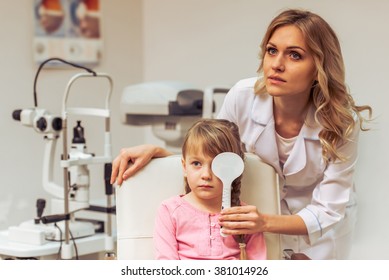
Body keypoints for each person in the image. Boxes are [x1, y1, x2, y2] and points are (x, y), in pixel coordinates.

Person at [111, 9, 372, 259]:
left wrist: (265, 221)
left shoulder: (341, 122)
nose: (277, 65)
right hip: (256, 226)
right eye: (272, 51)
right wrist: (161, 154)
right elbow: (212, 153)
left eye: (294, 55)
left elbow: (327, 210)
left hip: (320, 233)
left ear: (319, 67)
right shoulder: (243, 96)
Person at [153, 119, 266, 260]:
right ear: (184, 166)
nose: (206, 175)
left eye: (216, 165)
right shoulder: (169, 210)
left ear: (233, 170)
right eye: (196, 163)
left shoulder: (246, 216)